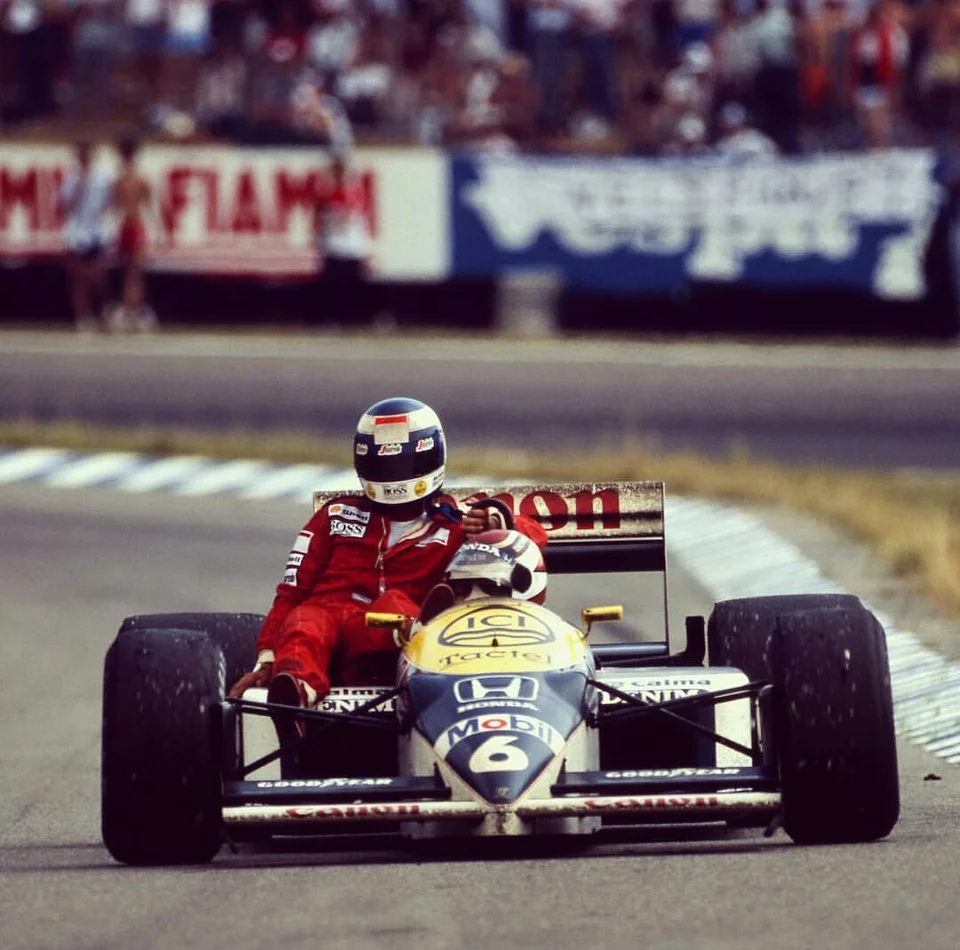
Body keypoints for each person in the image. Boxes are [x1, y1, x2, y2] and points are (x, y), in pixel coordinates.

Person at [228, 397, 549, 713]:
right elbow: (290, 592)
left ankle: (422, 633)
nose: (395, 475)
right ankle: (295, 694)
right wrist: (267, 660)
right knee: (305, 618)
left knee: (391, 608)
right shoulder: (334, 515)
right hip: (331, 643)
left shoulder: (458, 520)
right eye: (385, 465)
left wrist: (500, 522)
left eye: (404, 464)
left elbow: (535, 537)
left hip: (406, 647)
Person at [311, 152, 374, 328]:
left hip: (348, 244)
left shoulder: (349, 193)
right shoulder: (332, 193)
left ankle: (353, 316)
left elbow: (344, 218)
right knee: (332, 285)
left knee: (348, 284)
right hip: (336, 243)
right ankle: (331, 317)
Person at [58, 140, 114, 332]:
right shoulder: (71, 178)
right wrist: (79, 187)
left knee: (97, 275)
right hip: (76, 231)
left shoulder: (101, 176)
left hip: (96, 230)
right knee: (78, 277)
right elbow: (64, 206)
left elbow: (109, 201)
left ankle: (104, 310)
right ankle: (83, 316)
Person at [109, 138, 158, 332]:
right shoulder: (121, 178)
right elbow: (115, 205)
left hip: (135, 226)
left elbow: (149, 205)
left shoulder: (137, 178)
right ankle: (132, 308)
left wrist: (158, 230)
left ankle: (134, 309)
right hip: (126, 226)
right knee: (129, 271)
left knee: (134, 272)